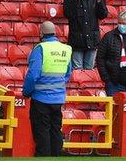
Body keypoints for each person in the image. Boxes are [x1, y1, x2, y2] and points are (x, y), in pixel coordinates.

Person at [22, 21, 72, 157]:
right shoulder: (66, 49)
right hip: (58, 99)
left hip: (40, 99)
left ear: (41, 33)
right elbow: (68, 74)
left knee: (42, 134)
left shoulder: (40, 49)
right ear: (55, 33)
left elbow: (33, 75)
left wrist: (26, 92)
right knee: (55, 131)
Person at [63, 0, 108, 70]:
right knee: (77, 70)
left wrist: (100, 2)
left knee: (89, 70)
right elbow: (68, 15)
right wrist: (75, 0)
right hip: (77, 42)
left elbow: (103, 15)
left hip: (92, 41)